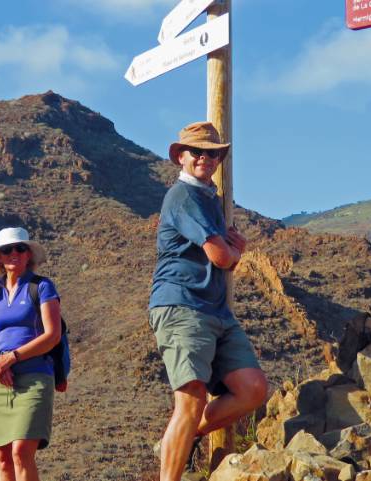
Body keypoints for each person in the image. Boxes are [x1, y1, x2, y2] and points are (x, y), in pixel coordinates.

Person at [149, 122, 269, 480]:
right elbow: (220, 256)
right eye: (197, 151)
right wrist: (235, 253)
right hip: (182, 305)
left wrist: (230, 253)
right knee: (190, 399)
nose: (205, 157)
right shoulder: (183, 196)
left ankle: (178, 439)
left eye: (212, 153)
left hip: (215, 310)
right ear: (181, 157)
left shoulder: (209, 199)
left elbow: (223, 254)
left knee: (252, 389)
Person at [0, 227, 62, 481]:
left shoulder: (42, 287)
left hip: (35, 376)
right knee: (3, 458)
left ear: (28, 254)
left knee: (21, 451)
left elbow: (52, 335)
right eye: (7, 250)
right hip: (0, 379)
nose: (14, 253)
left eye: (20, 248)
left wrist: (11, 357)